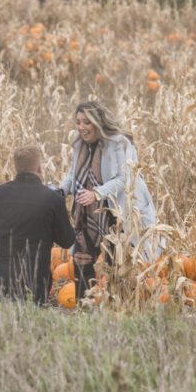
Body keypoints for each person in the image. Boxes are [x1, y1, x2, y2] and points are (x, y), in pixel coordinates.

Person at [60, 101, 157, 299]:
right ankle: (83, 307)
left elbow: (125, 178)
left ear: (98, 122)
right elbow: (72, 175)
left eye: (86, 122)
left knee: (116, 263)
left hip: (116, 211)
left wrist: (97, 193)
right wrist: (60, 191)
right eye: (78, 122)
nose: (81, 127)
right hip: (88, 211)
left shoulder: (119, 143)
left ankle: (118, 306)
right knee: (82, 258)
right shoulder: (79, 143)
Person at [0, 145, 75, 305]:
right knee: (28, 328)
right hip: (33, 282)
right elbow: (67, 240)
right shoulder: (52, 200)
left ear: (16, 168)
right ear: (39, 168)